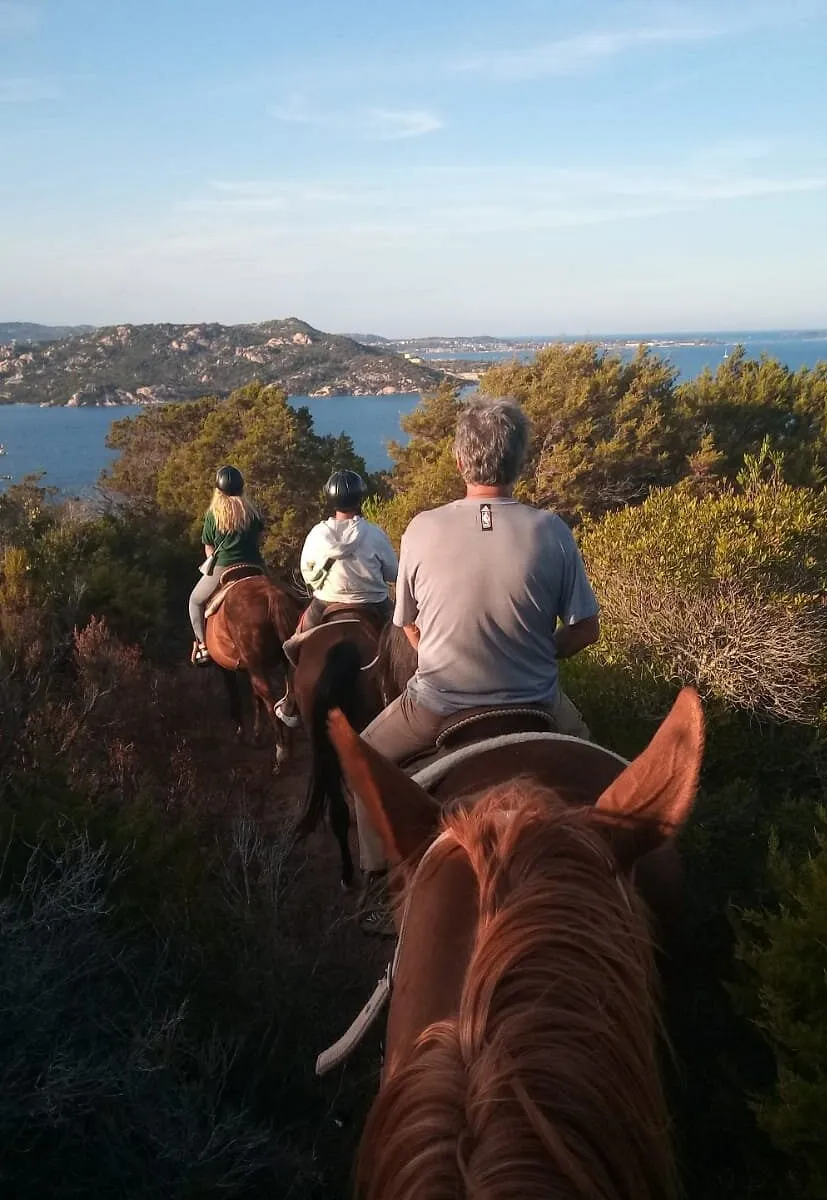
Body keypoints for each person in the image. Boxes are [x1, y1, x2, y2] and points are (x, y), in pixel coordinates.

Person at [355, 396, 599, 933]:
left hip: (438, 703)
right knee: (601, 771)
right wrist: (541, 650)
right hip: (537, 701)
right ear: (518, 463)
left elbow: (408, 626)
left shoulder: (420, 529)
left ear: (460, 462)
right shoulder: (551, 530)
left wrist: (441, 650)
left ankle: (378, 886)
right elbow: (586, 630)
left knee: (364, 760)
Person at [275, 469, 398, 724]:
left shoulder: (317, 535)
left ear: (330, 500)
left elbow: (307, 573)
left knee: (296, 644)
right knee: (403, 642)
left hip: (326, 603)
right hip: (374, 604)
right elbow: (393, 573)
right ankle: (404, 695)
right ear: (360, 498)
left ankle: (290, 703)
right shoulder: (374, 534)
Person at [188, 465, 265, 665]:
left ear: (218, 491)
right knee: (282, 593)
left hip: (224, 565)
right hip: (255, 564)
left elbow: (209, 547)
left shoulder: (214, 514)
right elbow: (258, 540)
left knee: (195, 601)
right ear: (242, 488)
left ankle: (203, 647)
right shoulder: (253, 512)